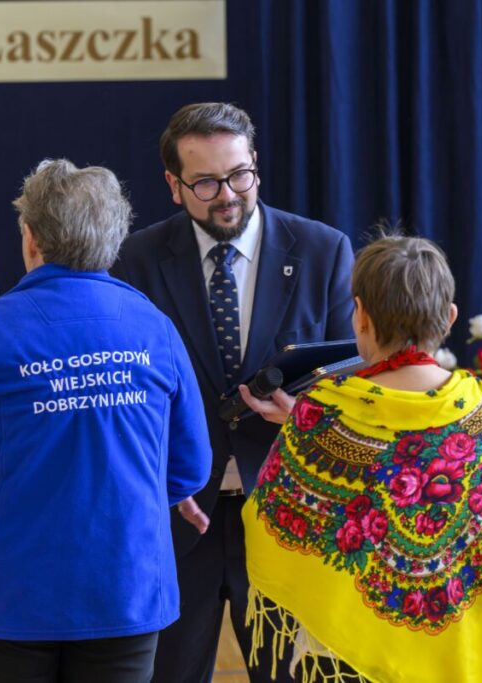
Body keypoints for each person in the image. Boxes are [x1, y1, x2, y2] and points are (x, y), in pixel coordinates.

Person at [0, 159, 212, 683]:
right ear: (114, 242)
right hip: (126, 588)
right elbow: (190, 468)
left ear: (30, 238)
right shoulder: (154, 328)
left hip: (13, 593)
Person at [239, 234, 482, 682]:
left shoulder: (323, 415)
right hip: (466, 659)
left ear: (362, 315)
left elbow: (270, 525)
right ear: (448, 317)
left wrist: (304, 427)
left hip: (349, 664)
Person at [111, 102, 355, 682]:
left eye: (239, 174)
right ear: (173, 185)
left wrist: (305, 415)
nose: (228, 195)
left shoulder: (322, 252)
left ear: (256, 167)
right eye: (205, 182)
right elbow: (123, 391)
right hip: (179, 518)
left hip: (285, 517)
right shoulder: (135, 260)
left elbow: (352, 381)